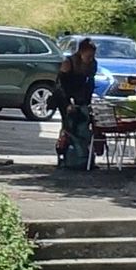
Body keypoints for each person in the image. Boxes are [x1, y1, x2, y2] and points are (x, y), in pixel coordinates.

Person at [52, 34, 101, 171]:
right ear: (81, 52)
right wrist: (67, 104)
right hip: (66, 97)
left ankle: (84, 157)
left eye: (92, 56)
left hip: (82, 98)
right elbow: (60, 86)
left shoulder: (92, 64)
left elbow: (89, 84)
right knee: (68, 127)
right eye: (88, 56)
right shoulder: (69, 63)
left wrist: (88, 102)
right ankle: (64, 157)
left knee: (84, 127)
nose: (90, 59)